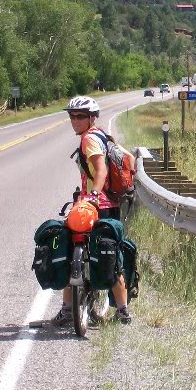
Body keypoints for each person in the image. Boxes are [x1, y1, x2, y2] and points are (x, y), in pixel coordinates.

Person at [52, 95, 134, 325]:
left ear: (91, 118)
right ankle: (123, 310)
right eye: (72, 116)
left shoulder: (89, 139)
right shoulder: (103, 136)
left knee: (70, 252)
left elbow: (101, 170)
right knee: (110, 255)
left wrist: (94, 195)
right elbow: (130, 159)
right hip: (112, 206)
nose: (75, 120)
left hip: (94, 207)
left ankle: (67, 310)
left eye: (80, 116)